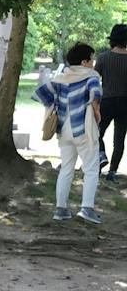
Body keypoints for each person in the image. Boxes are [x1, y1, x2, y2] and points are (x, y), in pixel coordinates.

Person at [35, 42, 103, 223]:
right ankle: (86, 208)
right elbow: (95, 97)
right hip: (83, 129)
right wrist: (97, 115)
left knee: (66, 168)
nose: (93, 62)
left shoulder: (61, 77)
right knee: (91, 169)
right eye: (91, 58)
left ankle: (61, 209)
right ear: (84, 61)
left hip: (63, 130)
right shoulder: (91, 76)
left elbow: (42, 93)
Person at [95, 23, 127, 183]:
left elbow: (93, 79)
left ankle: (100, 157)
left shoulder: (103, 58)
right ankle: (112, 172)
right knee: (119, 139)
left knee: (96, 133)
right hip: (125, 104)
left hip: (106, 102)